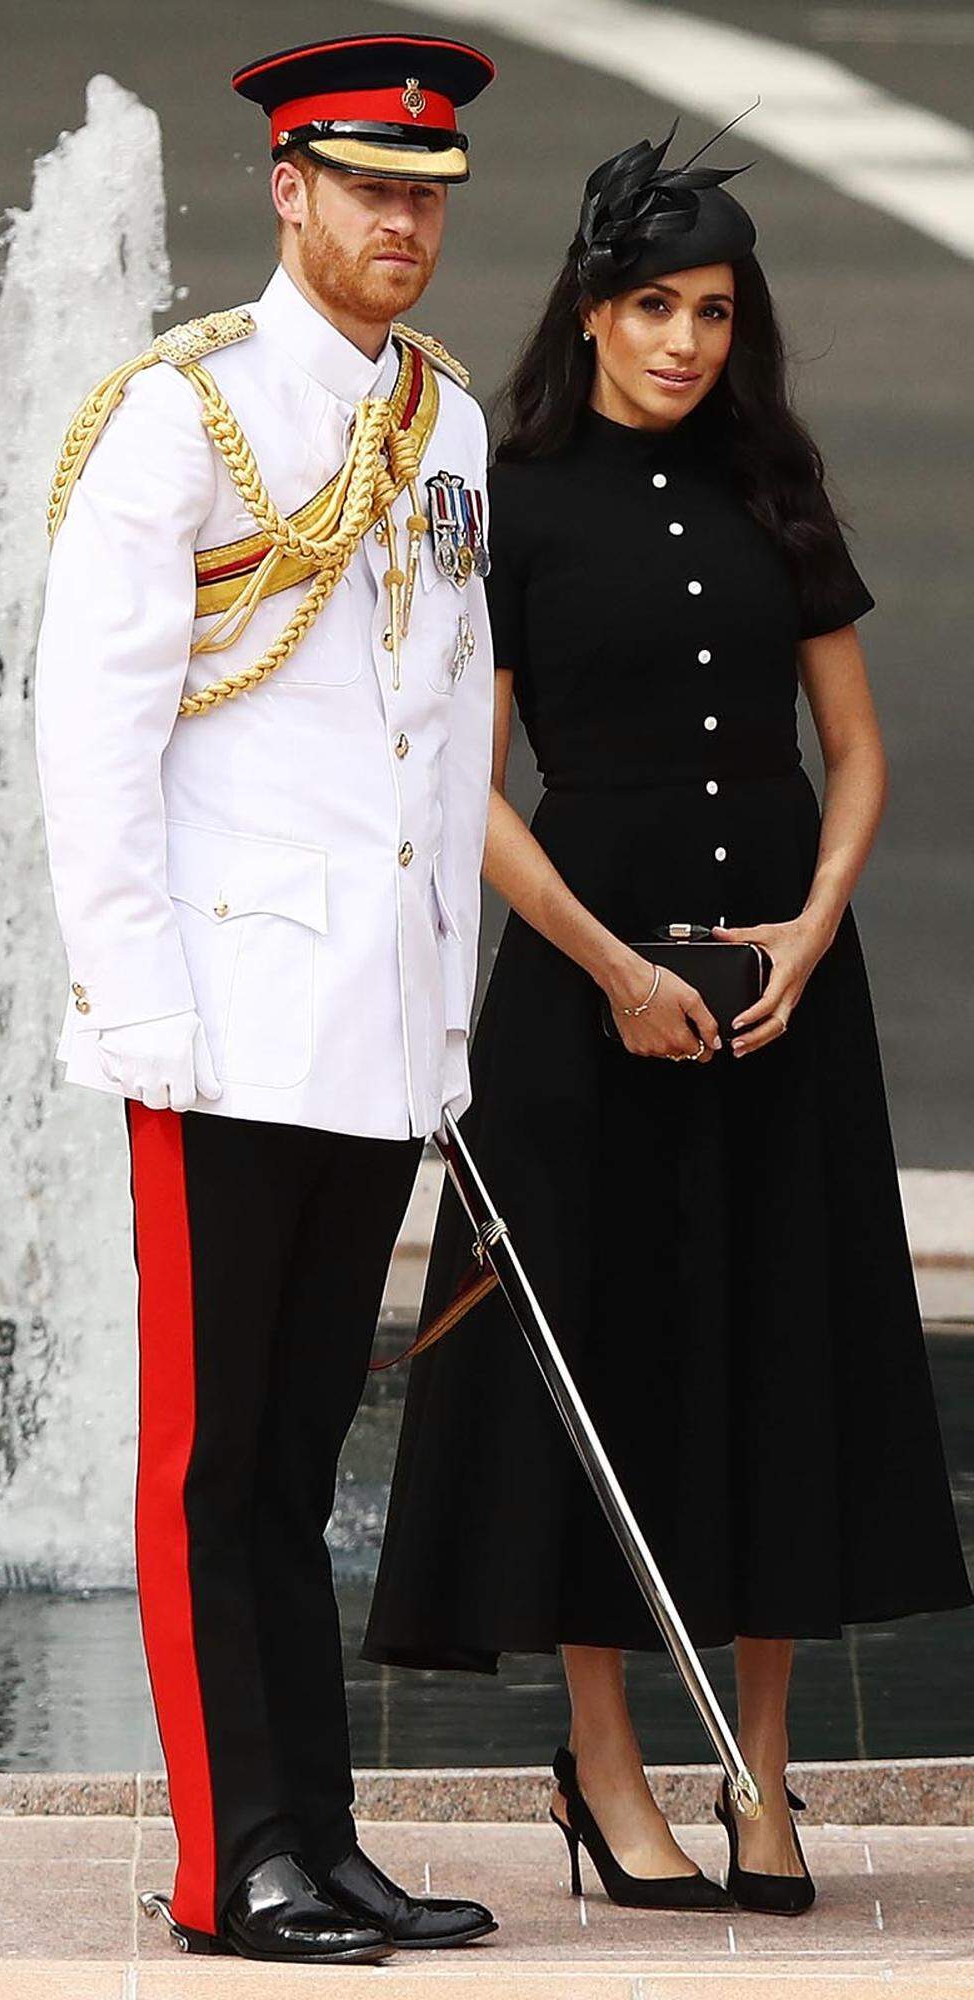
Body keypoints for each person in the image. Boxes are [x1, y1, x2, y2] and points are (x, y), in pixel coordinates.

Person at [365, 123, 972, 1920]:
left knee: (783, 1348)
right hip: (582, 989)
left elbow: (852, 749)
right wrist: (614, 968)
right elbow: (464, 795)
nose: (686, 340)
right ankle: (607, 1770)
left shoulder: (773, 483)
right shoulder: (510, 497)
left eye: (712, 310)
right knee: (598, 1367)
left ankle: (764, 1780)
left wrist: (814, 924)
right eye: (653, 306)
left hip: (789, 989)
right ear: (594, 311)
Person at [34, 33, 501, 1965]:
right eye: (367, 188)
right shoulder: (182, 419)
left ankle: (322, 1831)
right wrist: (136, 1004)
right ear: (288, 190)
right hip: (221, 1023)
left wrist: (447, 1011)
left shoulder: (447, 425)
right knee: (212, 1466)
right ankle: (234, 1865)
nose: (401, 225)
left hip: (372, 1030)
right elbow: (96, 736)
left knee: (305, 1460)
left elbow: (450, 721)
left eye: (428, 196)